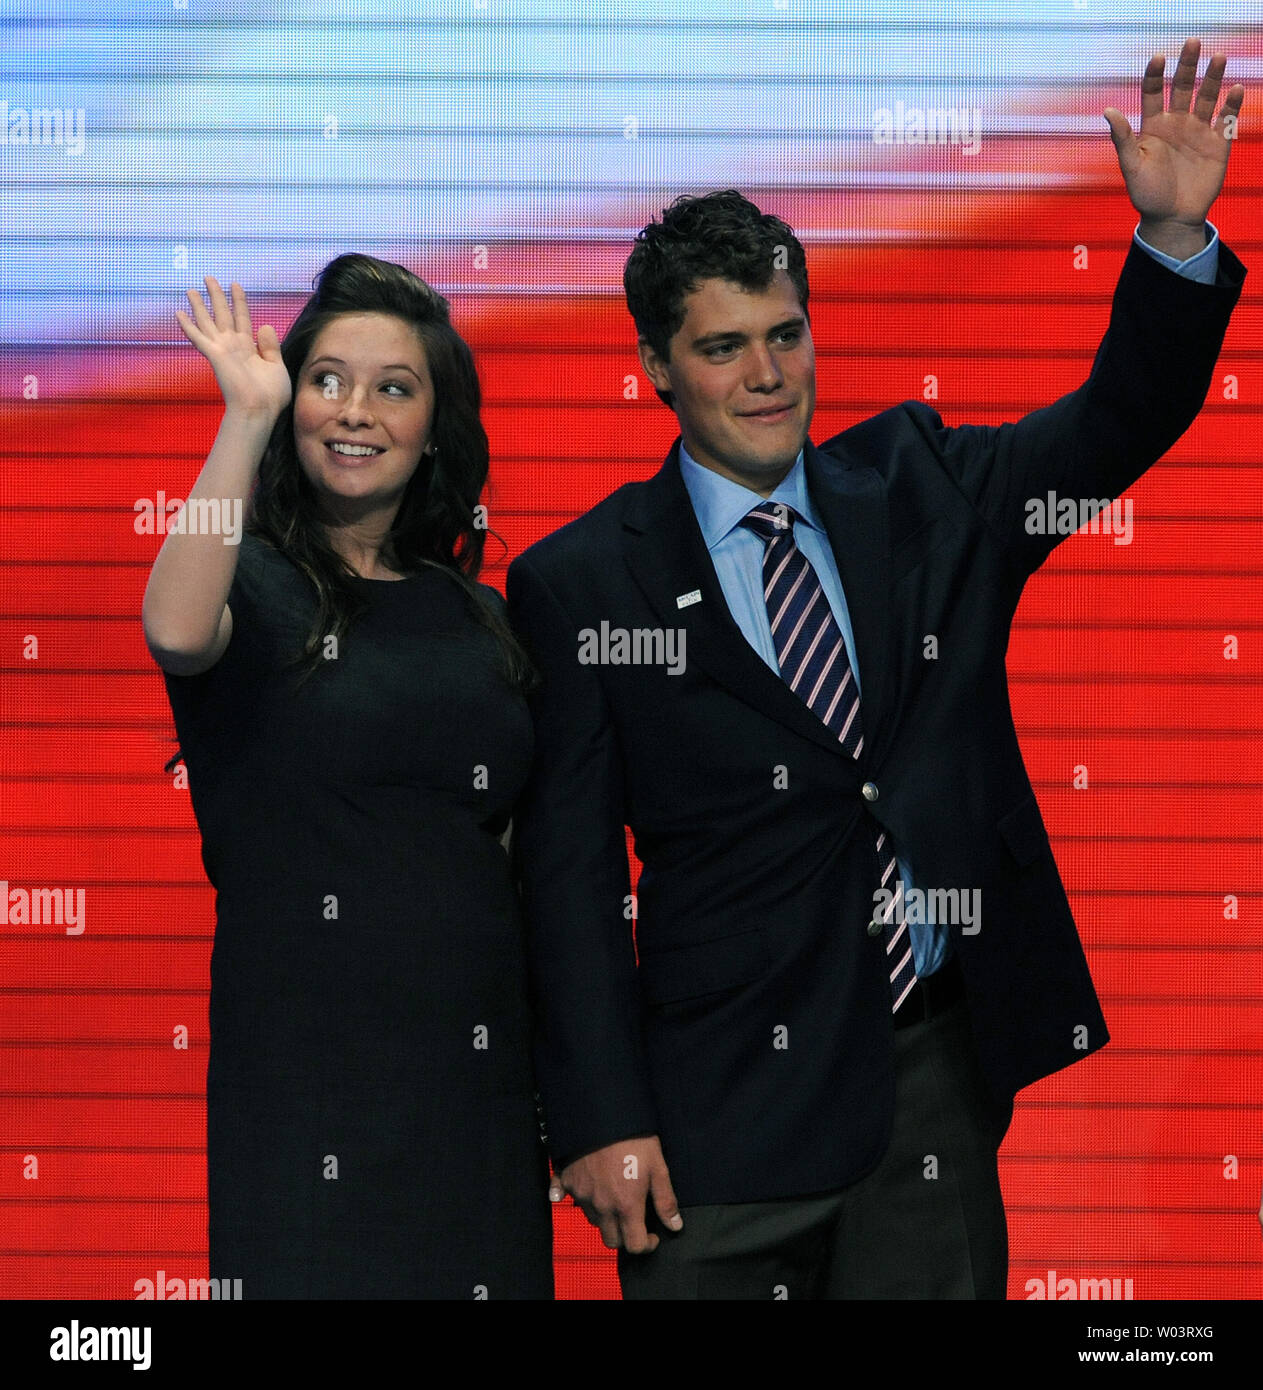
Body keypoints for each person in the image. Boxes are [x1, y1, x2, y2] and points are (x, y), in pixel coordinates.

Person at [505, 39, 1246, 1298]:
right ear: (656, 370)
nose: (767, 373)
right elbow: (569, 878)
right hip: (713, 1119)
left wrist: (1174, 241)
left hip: (927, 1091)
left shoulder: (923, 490)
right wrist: (595, 1116)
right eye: (726, 346)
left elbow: (1114, 422)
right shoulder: (583, 582)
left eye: (785, 334)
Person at [143, 254, 553, 1298]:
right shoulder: (252, 584)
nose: (354, 410)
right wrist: (244, 415)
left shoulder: (480, 618)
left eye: (393, 387)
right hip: (306, 1104)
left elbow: (505, 852)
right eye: (326, 380)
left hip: (476, 1105)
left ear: (433, 423)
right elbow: (175, 629)